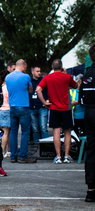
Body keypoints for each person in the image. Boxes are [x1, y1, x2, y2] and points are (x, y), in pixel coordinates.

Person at [36, 59, 77, 164]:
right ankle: (67, 156)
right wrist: (66, 74)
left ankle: (58, 156)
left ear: (52, 67)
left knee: (56, 133)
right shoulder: (67, 77)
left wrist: (44, 102)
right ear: (62, 67)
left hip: (54, 108)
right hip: (66, 108)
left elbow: (38, 90)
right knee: (67, 132)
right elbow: (75, 86)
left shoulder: (47, 78)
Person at [5, 59, 37, 163]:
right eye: (26, 67)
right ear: (23, 65)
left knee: (13, 132)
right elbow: (31, 90)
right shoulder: (26, 76)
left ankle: (13, 155)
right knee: (25, 132)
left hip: (12, 107)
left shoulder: (8, 77)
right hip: (23, 106)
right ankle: (23, 156)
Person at [79, 43, 95, 202]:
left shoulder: (87, 76)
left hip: (89, 113)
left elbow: (81, 99)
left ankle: (91, 189)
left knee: (91, 151)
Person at [30, 65, 49, 141]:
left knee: (43, 128)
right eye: (37, 71)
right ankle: (37, 148)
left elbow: (48, 91)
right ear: (32, 72)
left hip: (42, 107)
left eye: (40, 71)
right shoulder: (29, 81)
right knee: (35, 129)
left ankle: (46, 148)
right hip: (32, 108)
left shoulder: (43, 80)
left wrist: (47, 100)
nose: (39, 73)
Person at [0, 70, 11, 157]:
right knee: (6, 132)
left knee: (4, 132)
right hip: (7, 109)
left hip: (0, 110)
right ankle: (3, 152)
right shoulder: (8, 87)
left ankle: (6, 151)